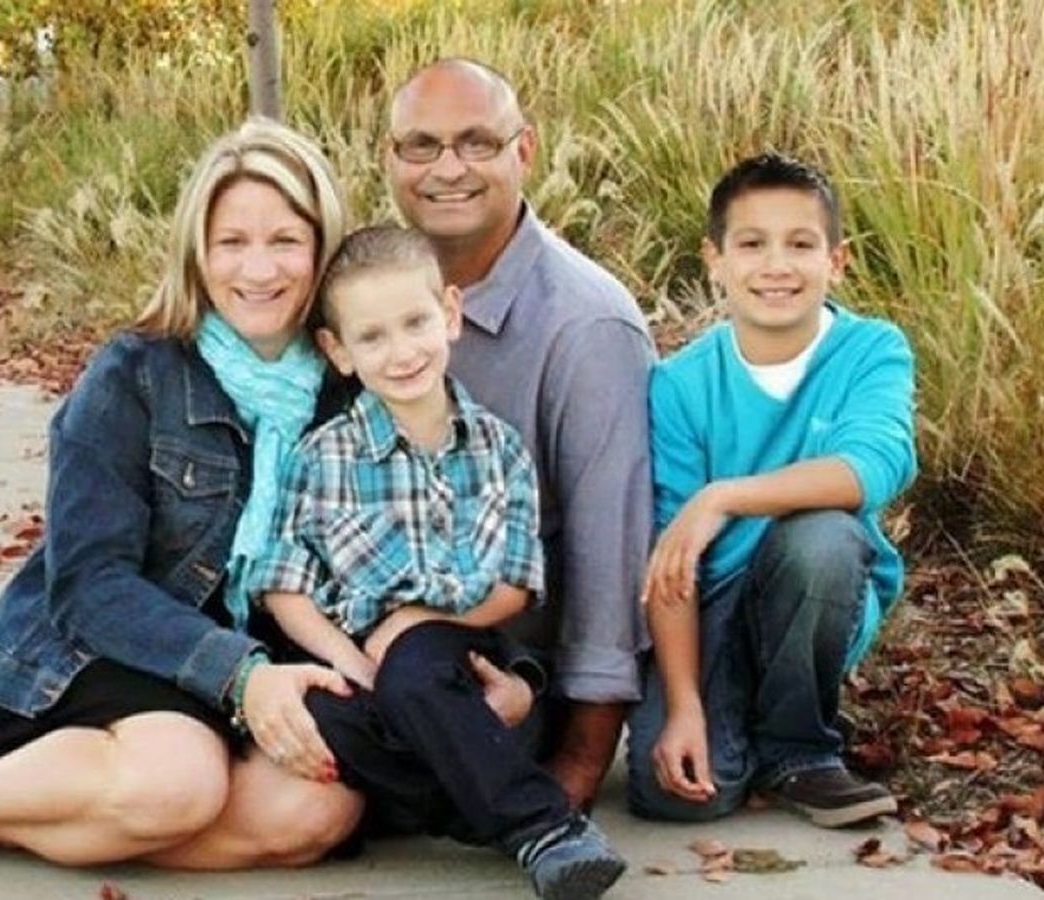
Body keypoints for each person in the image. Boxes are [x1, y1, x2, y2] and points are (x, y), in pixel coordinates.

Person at [0, 118, 370, 869]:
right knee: (178, 783)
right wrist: (240, 675)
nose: (259, 269)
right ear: (197, 252)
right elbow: (89, 585)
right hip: (89, 655)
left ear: (322, 248)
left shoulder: (351, 389)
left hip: (235, 680)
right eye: (231, 241)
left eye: (285, 240)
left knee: (317, 810)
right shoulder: (135, 372)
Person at [248, 225, 627, 900]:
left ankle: (537, 826)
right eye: (372, 337)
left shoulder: (498, 448)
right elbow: (285, 588)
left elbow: (515, 586)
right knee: (323, 718)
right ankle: (511, 812)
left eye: (415, 323)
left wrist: (416, 623)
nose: (401, 352)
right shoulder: (322, 456)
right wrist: (358, 666)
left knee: (429, 671)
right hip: (359, 661)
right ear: (338, 351)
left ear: (450, 314)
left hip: (467, 655)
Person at [384, 58, 654, 811]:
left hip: (506, 677)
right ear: (390, 157)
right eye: (421, 145)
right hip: (376, 640)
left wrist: (579, 765)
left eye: (477, 143)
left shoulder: (586, 326)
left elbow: (611, 554)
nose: (448, 170)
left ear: (524, 150)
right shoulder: (370, 290)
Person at [626, 152, 917, 828]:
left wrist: (722, 497)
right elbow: (672, 560)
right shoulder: (680, 384)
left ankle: (799, 751)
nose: (776, 266)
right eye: (752, 244)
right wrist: (684, 705)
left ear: (836, 261)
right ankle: (735, 724)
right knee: (674, 795)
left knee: (822, 535)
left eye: (801, 244)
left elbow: (872, 468)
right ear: (715, 260)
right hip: (715, 609)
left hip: (812, 592)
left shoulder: (871, 351)